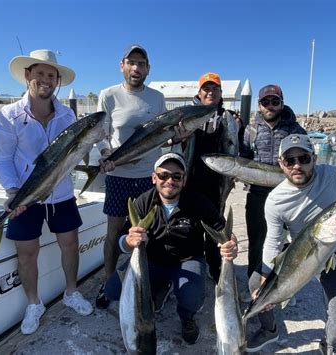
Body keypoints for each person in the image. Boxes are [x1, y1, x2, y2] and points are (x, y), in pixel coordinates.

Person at [0, 49, 93, 335]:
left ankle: (71, 292)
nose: (46, 80)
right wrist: (12, 192)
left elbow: (76, 150)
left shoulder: (68, 114)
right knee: (26, 253)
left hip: (60, 194)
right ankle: (34, 303)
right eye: (40, 74)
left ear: (57, 80)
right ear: (27, 76)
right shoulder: (8, 116)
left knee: (70, 244)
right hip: (25, 195)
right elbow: (3, 159)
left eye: (51, 75)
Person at [246, 134, 336, 353]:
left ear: (314, 158)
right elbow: (273, 240)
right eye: (290, 161)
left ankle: (330, 344)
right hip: (299, 249)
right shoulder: (276, 200)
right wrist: (265, 277)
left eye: (304, 158)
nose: (297, 165)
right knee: (254, 284)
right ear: (281, 164)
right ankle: (269, 330)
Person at [104, 152, 238, 344]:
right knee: (112, 290)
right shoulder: (143, 201)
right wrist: (129, 241)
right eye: (163, 175)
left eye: (176, 176)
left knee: (191, 297)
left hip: (187, 260)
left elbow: (221, 228)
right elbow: (122, 241)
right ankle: (158, 288)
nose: (170, 181)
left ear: (184, 180)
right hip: (151, 261)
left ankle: (187, 318)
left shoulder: (197, 201)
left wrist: (230, 242)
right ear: (153, 178)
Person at [94, 44, 185, 309]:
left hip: (149, 176)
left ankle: (145, 280)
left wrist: (176, 139)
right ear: (121, 65)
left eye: (141, 64)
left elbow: (163, 135)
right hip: (119, 174)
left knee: (152, 232)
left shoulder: (157, 98)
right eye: (131, 62)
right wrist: (105, 154)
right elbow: (101, 132)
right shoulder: (108, 95)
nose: (136, 68)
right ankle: (108, 279)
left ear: (148, 69)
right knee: (113, 233)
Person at [240, 84, 306, 299]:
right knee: (256, 242)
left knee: (288, 245)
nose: (270, 106)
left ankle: (286, 288)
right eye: (265, 102)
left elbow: (307, 164)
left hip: (290, 197)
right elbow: (244, 159)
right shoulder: (250, 131)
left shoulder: (296, 131)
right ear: (259, 105)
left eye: (274, 101)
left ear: (282, 103)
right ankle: (254, 288)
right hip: (258, 195)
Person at [185, 72, 241, 284]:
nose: (210, 92)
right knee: (190, 225)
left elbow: (238, 147)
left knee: (216, 224)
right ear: (199, 93)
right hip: (191, 179)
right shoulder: (188, 115)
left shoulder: (229, 118)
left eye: (214, 89)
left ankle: (214, 265)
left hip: (217, 183)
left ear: (220, 93)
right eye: (206, 89)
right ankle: (190, 264)